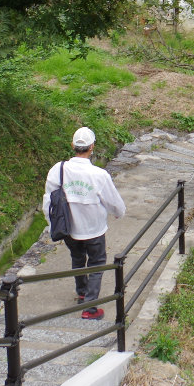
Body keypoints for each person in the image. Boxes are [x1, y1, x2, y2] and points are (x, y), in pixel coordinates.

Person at [42, 126, 126, 319]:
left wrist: (51, 223)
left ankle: (82, 292)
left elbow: (49, 201)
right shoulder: (99, 175)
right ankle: (90, 307)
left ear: (73, 146)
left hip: (69, 229)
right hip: (94, 229)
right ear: (92, 147)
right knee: (97, 263)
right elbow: (114, 202)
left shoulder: (58, 170)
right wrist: (118, 213)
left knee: (78, 259)